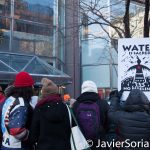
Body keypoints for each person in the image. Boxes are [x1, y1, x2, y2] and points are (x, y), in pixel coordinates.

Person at [29, 78, 71, 150]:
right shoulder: (65, 107)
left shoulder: (39, 108)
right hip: (63, 147)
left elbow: (34, 134)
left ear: (44, 93)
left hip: (43, 147)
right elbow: (69, 129)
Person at [1, 71, 34, 150]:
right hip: (17, 146)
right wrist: (30, 135)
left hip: (6, 143)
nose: (33, 87)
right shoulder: (21, 104)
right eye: (31, 85)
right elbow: (16, 130)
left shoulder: (9, 99)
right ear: (27, 88)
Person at [73, 80, 109, 150]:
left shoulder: (76, 105)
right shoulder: (103, 103)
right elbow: (108, 124)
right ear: (95, 89)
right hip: (100, 143)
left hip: (81, 143)